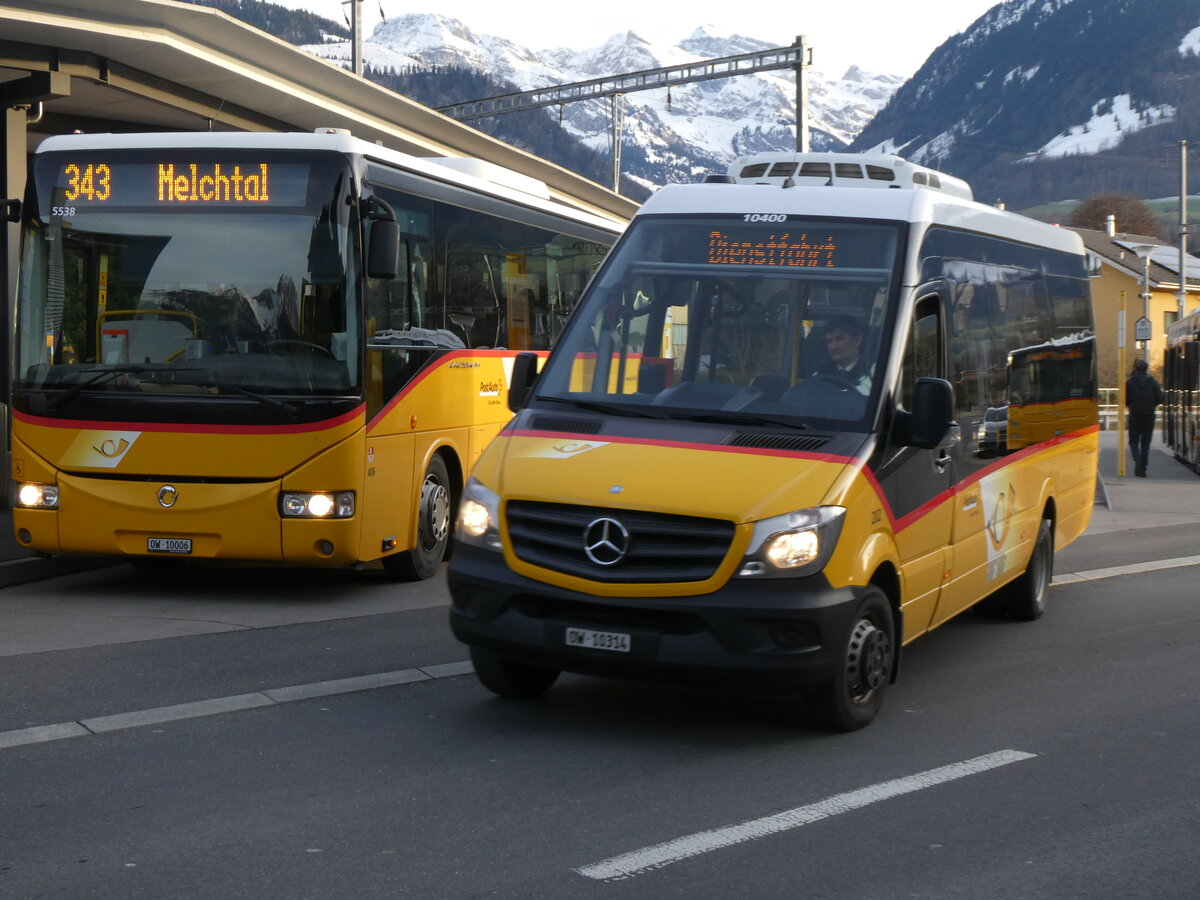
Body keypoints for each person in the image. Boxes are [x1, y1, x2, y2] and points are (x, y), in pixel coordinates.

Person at [813, 315, 873, 395]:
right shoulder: (821, 373)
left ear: (857, 340)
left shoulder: (872, 369)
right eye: (829, 341)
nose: (834, 347)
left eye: (839, 339)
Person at [1125, 358, 1163, 477]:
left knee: (1133, 441)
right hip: (1149, 416)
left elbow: (1125, 399)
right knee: (1145, 444)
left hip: (1134, 415)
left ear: (1136, 369)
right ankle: (1143, 469)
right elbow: (1160, 398)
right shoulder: (1153, 382)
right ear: (1146, 369)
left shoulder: (1130, 382)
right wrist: (1151, 406)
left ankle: (1137, 459)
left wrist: (1132, 405)